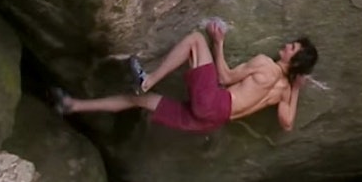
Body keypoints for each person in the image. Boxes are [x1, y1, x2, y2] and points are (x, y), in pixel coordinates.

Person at [53, 19, 319, 133]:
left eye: (291, 48)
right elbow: (286, 123)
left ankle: (148, 80)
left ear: (294, 59)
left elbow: (225, 78)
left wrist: (218, 42)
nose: (285, 45)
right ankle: (73, 105)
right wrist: (296, 88)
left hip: (214, 103)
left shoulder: (265, 64)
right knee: (138, 102)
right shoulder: (284, 90)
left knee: (195, 39)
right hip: (211, 120)